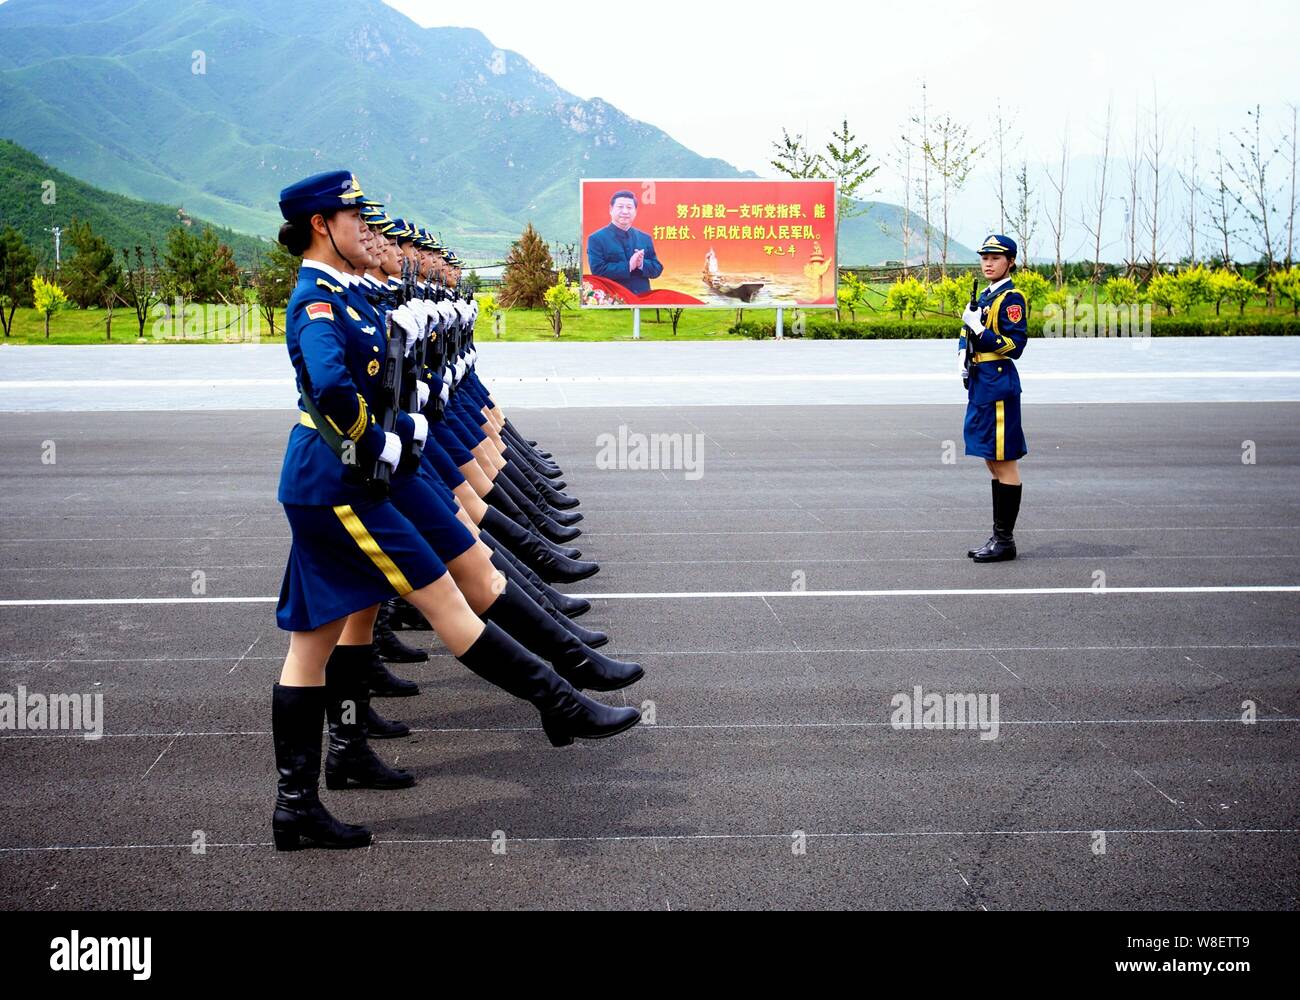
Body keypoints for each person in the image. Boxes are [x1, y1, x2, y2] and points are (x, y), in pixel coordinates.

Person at [269, 170, 641, 852]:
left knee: (319, 637)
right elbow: (328, 386)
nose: (366, 229)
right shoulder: (317, 299)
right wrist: (376, 436)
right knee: (440, 603)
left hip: (348, 478)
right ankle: (559, 703)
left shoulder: (341, 294)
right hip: (339, 483)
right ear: (322, 225)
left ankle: (312, 789)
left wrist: (390, 428)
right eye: (354, 217)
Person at [959, 234, 1028, 562]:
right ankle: (999, 537)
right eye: (984, 256)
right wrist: (962, 351)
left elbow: (1016, 347)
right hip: (981, 386)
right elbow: (967, 331)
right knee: (990, 457)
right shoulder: (986, 295)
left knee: (1004, 461)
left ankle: (1004, 540)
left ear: (1010, 261)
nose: (988, 262)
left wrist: (981, 332)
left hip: (998, 388)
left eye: (995, 257)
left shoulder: (1011, 298)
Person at [586, 189, 663, 295]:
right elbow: (598, 271)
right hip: (614, 300)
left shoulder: (645, 238)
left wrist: (641, 264)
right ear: (611, 209)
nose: (625, 211)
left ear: (635, 211)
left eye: (629, 207)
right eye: (620, 207)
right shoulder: (596, 238)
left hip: (643, 299)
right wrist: (629, 266)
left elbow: (657, 269)